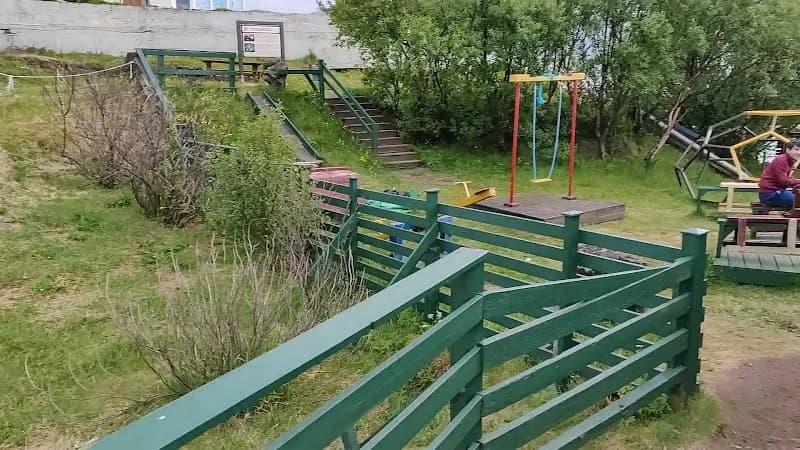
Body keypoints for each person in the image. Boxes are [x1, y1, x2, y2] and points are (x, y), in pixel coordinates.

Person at [758, 139, 800, 209]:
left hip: (777, 191)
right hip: (770, 194)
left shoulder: (789, 160)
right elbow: (783, 181)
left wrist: (795, 181)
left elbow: (785, 179)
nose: (799, 152)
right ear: (788, 150)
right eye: (796, 149)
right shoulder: (781, 160)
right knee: (798, 199)